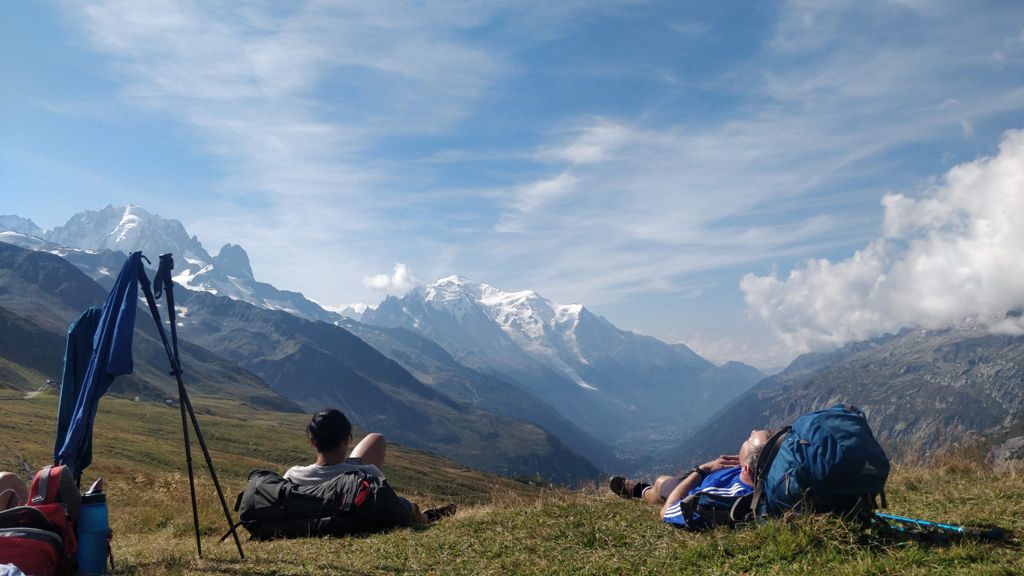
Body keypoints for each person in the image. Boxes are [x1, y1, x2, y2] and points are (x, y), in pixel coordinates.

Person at [284, 409, 455, 525]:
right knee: (410, 506)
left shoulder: (292, 475)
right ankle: (427, 517)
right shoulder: (365, 474)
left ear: (313, 442)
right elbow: (387, 502)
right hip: (351, 505)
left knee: (375, 439)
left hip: (316, 512)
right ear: (346, 440)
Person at [609, 429, 771, 529]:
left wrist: (701, 469)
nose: (752, 431)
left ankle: (642, 492)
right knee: (666, 480)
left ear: (746, 469)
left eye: (749, 440)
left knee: (660, 483)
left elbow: (666, 512)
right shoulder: (763, 475)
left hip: (701, 481)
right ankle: (648, 489)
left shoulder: (719, 496)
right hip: (716, 476)